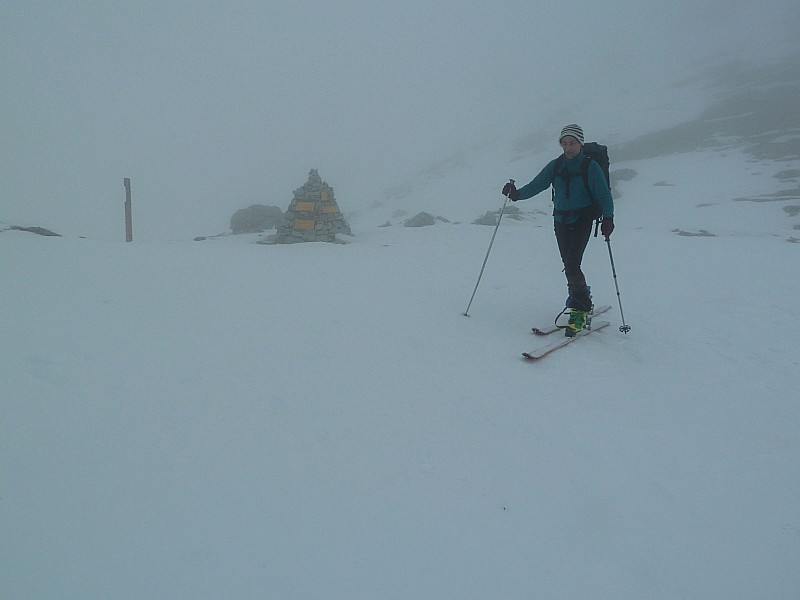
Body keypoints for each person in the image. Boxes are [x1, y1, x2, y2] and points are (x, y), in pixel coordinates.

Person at [502, 124, 614, 336]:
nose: (568, 147)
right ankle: (580, 298)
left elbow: (603, 194)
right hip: (560, 221)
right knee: (568, 264)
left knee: (572, 264)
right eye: (564, 143)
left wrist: (608, 218)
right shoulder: (556, 166)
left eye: (572, 143)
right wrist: (516, 194)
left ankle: (580, 307)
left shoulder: (590, 167)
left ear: (580, 143)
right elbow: (537, 185)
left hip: (582, 219)